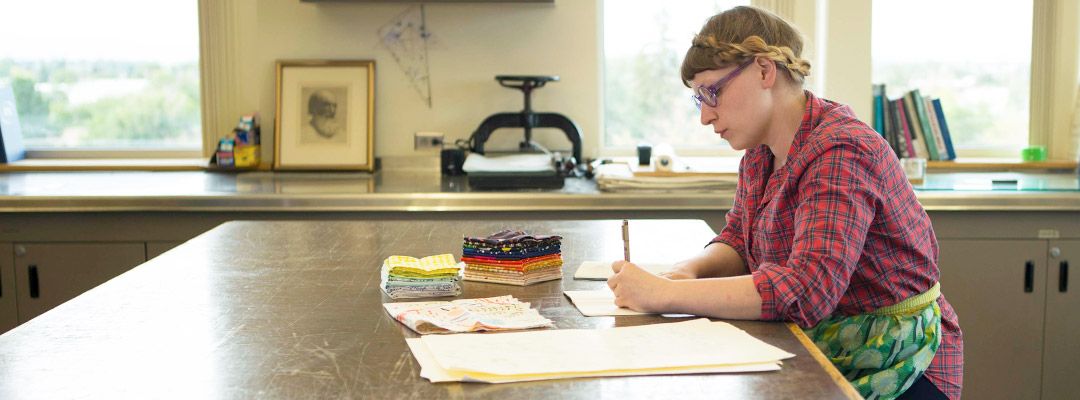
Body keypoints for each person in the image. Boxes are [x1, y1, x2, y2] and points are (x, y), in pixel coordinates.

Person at [607, 6, 962, 400]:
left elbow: (808, 289)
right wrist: (685, 272)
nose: (705, 116)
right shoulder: (761, 151)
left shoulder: (841, 151)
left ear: (764, 71)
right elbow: (739, 240)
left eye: (712, 92)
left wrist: (663, 294)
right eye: (698, 99)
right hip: (829, 345)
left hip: (898, 361)